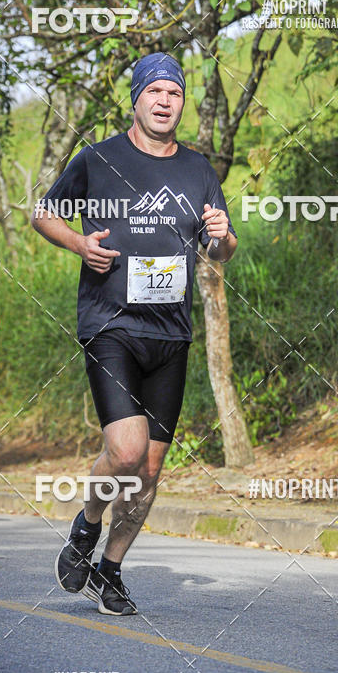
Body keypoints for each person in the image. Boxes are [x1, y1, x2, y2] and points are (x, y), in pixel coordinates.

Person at [32, 52, 237, 615]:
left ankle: (111, 569)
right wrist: (80, 245)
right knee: (125, 451)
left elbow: (223, 248)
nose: (165, 101)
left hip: (171, 333)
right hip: (111, 324)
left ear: (181, 104)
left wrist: (220, 234)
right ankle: (86, 523)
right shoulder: (98, 159)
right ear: (137, 98)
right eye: (155, 92)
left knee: (149, 470)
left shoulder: (197, 169)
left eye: (174, 93)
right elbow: (43, 214)